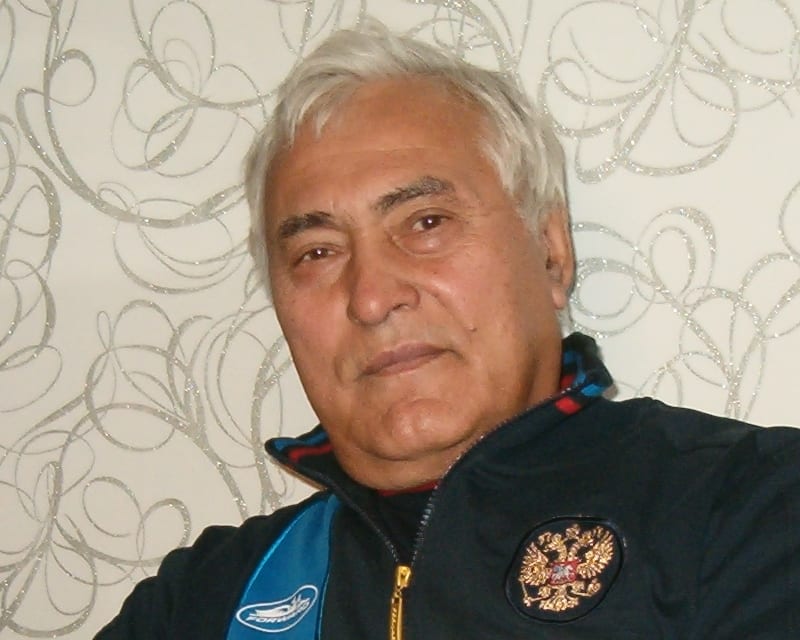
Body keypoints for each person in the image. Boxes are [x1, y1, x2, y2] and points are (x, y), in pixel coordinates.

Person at [95, 20, 800, 640]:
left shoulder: (751, 508)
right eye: (317, 252)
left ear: (551, 251)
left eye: (425, 222)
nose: (371, 297)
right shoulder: (204, 599)